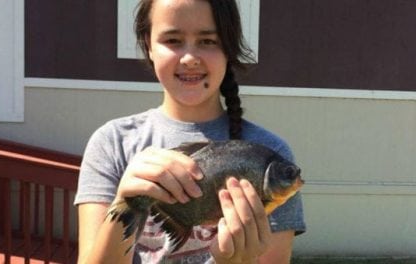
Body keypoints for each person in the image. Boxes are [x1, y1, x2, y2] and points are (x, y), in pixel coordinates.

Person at [74, 0, 306, 263]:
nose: (190, 58)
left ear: (228, 48)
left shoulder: (271, 153)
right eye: (172, 40)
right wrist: (125, 203)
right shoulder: (111, 143)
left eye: (208, 41)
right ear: (148, 44)